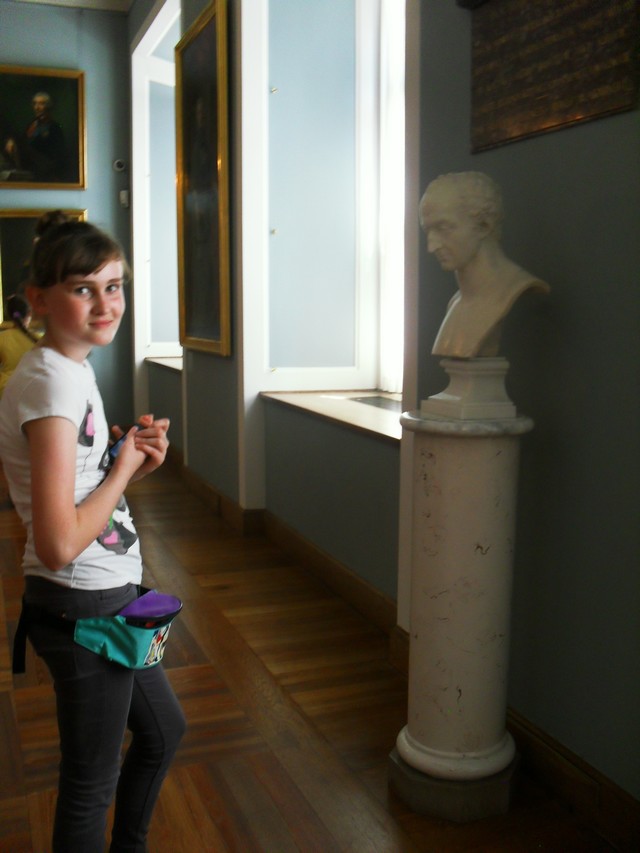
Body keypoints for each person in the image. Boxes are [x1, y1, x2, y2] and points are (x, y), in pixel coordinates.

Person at [0, 216, 186, 852]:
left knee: (162, 732)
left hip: (110, 594)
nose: (106, 304)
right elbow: (57, 543)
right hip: (83, 604)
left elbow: (76, 488)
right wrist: (125, 469)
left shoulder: (69, 368)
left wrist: (123, 460)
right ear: (39, 299)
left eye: (115, 285)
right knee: (90, 784)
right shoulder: (52, 381)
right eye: (83, 289)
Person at [419, 171, 550, 358]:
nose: (431, 246)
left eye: (443, 228)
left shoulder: (510, 290)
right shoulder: (456, 303)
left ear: (484, 225)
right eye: (428, 231)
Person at [4, 91, 67, 182]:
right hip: (27, 163)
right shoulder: (32, 124)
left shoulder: (54, 127)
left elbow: (57, 155)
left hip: (43, 166)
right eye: (35, 104)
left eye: (41, 104)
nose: (37, 107)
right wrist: (12, 141)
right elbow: (23, 141)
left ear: (49, 107)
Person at [0, 294, 38, 397]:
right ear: (29, 313)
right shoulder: (39, 339)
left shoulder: (2, 338)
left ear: (9, 315)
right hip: (33, 390)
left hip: (6, 391)